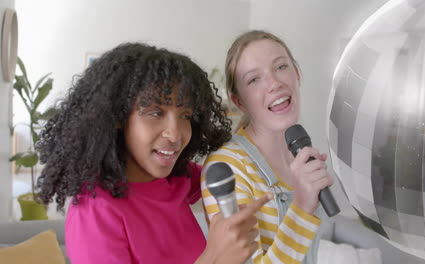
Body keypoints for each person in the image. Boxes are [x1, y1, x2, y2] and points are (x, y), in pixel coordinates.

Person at [35, 43, 272, 264]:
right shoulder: (95, 210)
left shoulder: (179, 177)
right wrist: (214, 258)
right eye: (155, 113)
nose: (175, 134)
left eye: (185, 116)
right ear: (118, 117)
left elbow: (232, 172)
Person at [201, 30, 334, 264]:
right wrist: (302, 207)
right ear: (239, 101)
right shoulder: (227, 168)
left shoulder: (299, 148)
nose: (274, 83)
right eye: (254, 79)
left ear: (297, 74)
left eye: (281, 67)